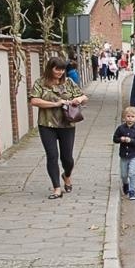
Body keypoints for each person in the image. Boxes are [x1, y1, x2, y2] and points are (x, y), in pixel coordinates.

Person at [30, 57, 87, 200]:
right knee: (52, 155)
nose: (60, 72)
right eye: (57, 69)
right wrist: (55, 103)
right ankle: (56, 188)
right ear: (51, 68)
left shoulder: (68, 82)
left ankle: (66, 175)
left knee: (67, 158)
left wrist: (78, 100)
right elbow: (34, 100)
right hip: (47, 124)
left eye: (62, 69)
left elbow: (83, 96)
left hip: (67, 124)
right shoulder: (40, 83)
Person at [114, 106, 135, 201]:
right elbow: (115, 139)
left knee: (132, 173)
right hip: (124, 155)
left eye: (132, 116)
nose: (130, 118)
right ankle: (125, 184)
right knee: (124, 174)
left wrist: (131, 140)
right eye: (128, 116)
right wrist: (120, 139)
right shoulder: (121, 128)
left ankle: (132, 191)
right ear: (124, 117)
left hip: (134, 155)